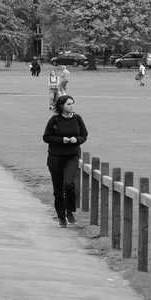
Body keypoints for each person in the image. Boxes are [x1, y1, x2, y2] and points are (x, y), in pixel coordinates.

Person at [42, 95, 88, 228]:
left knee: (68, 184)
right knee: (58, 190)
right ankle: (61, 217)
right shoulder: (54, 120)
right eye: (69, 104)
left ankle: (70, 212)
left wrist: (77, 140)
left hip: (72, 157)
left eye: (73, 104)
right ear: (62, 106)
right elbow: (46, 137)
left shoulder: (77, 119)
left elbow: (84, 135)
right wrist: (62, 140)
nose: (72, 106)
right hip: (55, 157)